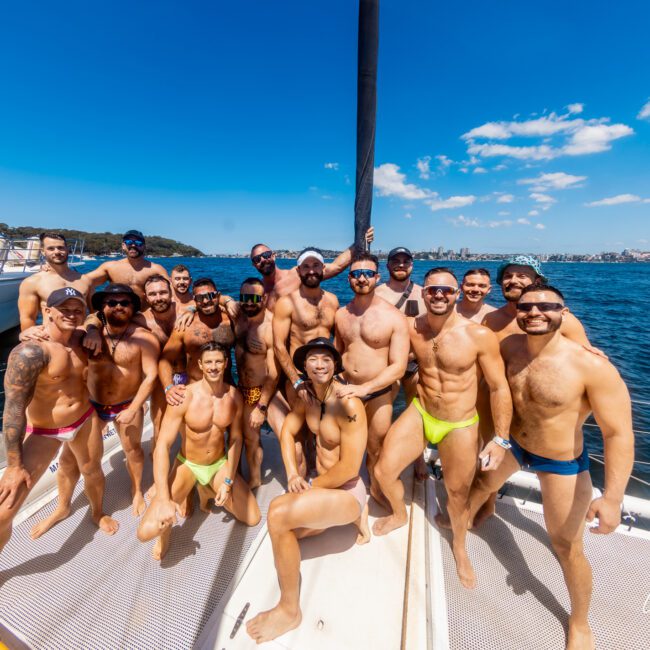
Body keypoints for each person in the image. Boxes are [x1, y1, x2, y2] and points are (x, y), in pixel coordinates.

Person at [467, 285, 634, 650]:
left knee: (565, 544)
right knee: (482, 483)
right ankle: (472, 515)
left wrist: (613, 498)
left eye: (546, 306)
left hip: (561, 463)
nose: (535, 312)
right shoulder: (510, 347)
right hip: (514, 444)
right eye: (526, 306)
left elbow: (618, 434)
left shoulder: (591, 367)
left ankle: (579, 622)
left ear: (564, 312)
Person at [372, 268, 513, 589]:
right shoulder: (411, 328)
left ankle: (460, 548)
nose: (439, 295)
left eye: (446, 291)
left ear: (456, 294)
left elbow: (498, 387)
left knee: (458, 493)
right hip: (421, 412)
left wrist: (501, 439)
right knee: (383, 471)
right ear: (423, 293)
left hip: (460, 423)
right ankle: (398, 513)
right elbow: (376, 329)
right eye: (433, 290)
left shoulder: (478, 336)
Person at [246, 338, 369, 644]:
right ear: (304, 367)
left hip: (347, 491)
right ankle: (347, 520)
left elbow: (351, 468)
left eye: (326, 359)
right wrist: (291, 474)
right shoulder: (309, 398)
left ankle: (290, 610)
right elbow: (287, 431)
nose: (320, 365)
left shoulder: (348, 405)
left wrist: (310, 487)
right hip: (323, 486)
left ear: (335, 365)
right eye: (313, 359)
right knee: (286, 538)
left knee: (277, 515)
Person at [475, 255, 596, 526]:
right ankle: (489, 504)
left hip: (542, 414)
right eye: (508, 276)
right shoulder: (491, 320)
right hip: (497, 406)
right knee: (488, 460)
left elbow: (586, 360)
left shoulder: (563, 321)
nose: (514, 280)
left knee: (564, 524)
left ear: (537, 281)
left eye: (522, 276)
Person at [0, 288, 118, 553]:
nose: (71, 315)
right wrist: (14, 465)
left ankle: (97, 513)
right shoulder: (30, 352)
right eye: (64, 310)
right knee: (3, 515)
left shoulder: (84, 340)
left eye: (77, 310)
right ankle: (63, 509)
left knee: (92, 471)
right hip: (45, 430)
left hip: (85, 419)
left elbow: (108, 318)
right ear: (47, 312)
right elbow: (13, 410)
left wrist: (92, 330)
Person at [137, 342, 261, 561]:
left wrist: (229, 481)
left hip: (218, 464)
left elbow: (235, 439)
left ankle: (206, 488)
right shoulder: (184, 397)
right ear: (201, 366)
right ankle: (166, 535)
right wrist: (164, 498)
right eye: (209, 362)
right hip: (188, 464)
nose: (213, 367)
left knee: (253, 517)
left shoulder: (234, 397)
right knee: (145, 531)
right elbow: (163, 447)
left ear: (225, 365)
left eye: (218, 362)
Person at [334, 252, 409, 502]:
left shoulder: (394, 317)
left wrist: (366, 388)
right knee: (343, 443)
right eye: (356, 274)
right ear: (349, 279)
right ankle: (346, 486)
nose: (362, 278)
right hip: (346, 388)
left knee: (376, 447)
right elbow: (338, 353)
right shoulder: (341, 314)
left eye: (368, 274)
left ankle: (375, 487)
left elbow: (398, 367)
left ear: (377, 277)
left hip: (377, 392)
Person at [87, 284, 160, 516]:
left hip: (128, 403)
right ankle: (91, 507)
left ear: (133, 308)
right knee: (88, 456)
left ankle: (137, 489)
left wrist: (135, 407)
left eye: (124, 303)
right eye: (111, 302)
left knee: (134, 450)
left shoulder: (143, 339)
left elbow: (151, 376)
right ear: (102, 307)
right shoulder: (88, 335)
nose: (118, 306)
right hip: (93, 405)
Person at [234, 277, 286, 488]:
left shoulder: (271, 326)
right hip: (244, 389)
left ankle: (298, 479)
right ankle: (255, 479)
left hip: (267, 391)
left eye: (254, 298)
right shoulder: (238, 317)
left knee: (287, 436)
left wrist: (262, 406)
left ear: (264, 298)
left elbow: (274, 373)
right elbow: (213, 300)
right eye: (244, 297)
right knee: (250, 439)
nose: (248, 302)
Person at [250, 227, 374, 310]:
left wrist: (360, 242)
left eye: (266, 255)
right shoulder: (256, 291)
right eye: (257, 259)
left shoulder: (297, 274)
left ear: (273, 256)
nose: (263, 260)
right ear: (253, 264)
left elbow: (336, 266)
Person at [160, 277, 236, 406]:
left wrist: (228, 300)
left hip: (227, 391)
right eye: (200, 298)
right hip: (195, 393)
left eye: (210, 295)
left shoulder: (231, 321)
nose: (206, 301)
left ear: (217, 296)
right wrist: (168, 387)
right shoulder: (185, 325)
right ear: (195, 301)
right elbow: (165, 359)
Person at [18, 232, 93, 330]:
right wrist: (30, 340)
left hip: (80, 340)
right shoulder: (32, 282)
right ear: (43, 251)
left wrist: (93, 332)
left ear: (67, 249)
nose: (57, 252)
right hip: (50, 340)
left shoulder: (85, 280)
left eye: (60, 247)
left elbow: (94, 313)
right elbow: (28, 318)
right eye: (51, 248)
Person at [83, 230, 170, 305]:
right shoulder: (111, 267)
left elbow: (172, 291)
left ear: (144, 246)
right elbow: (85, 281)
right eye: (129, 242)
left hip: (144, 318)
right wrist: (93, 312)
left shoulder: (156, 269)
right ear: (123, 246)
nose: (133, 245)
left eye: (138, 243)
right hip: (117, 315)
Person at [374, 246, 425, 317]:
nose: (401, 265)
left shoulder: (424, 295)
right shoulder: (376, 294)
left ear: (411, 266)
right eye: (396, 261)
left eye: (406, 261)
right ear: (387, 266)